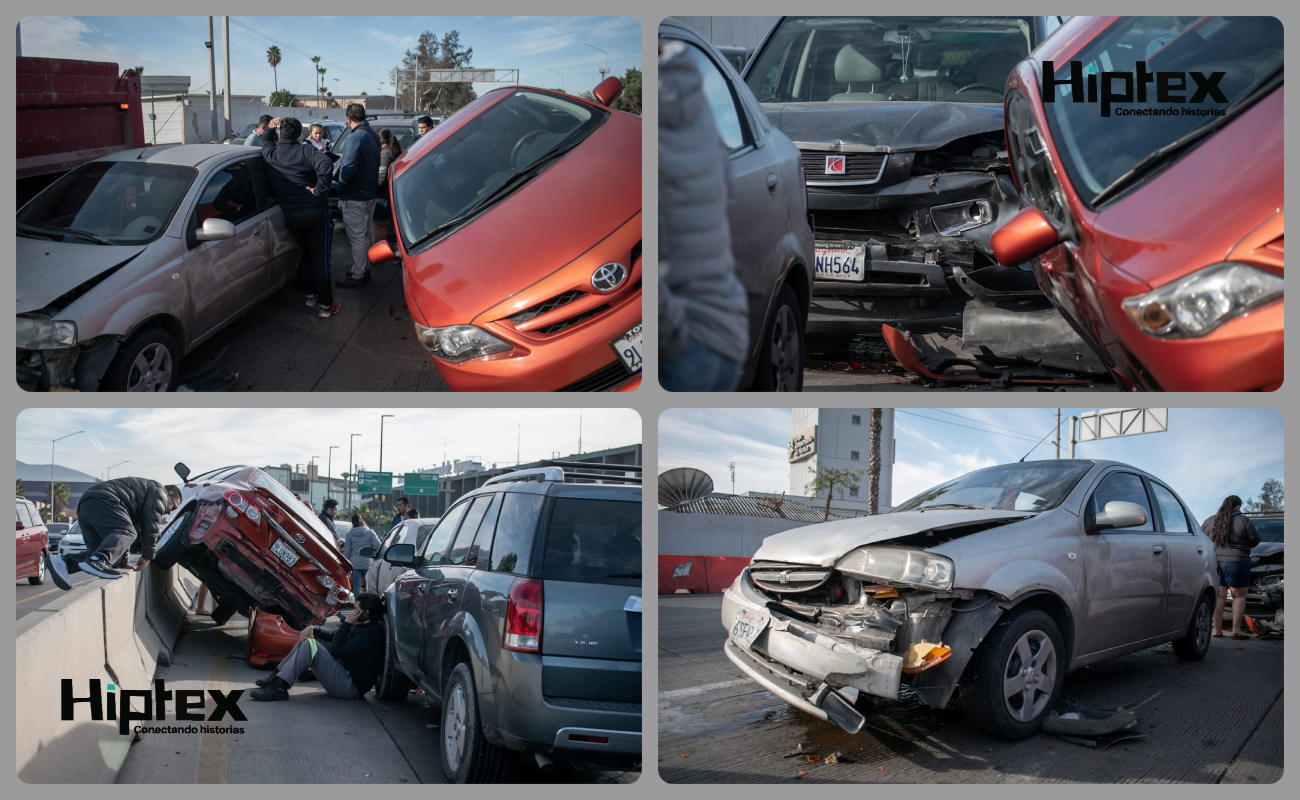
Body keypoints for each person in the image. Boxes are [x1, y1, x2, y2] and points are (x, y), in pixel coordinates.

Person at [658, 40, 749, 391]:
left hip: (686, 345)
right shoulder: (700, 111)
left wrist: (669, 336)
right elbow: (727, 192)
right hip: (727, 327)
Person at [262, 117, 340, 319]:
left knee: (306, 254)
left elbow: (265, 142)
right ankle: (326, 305)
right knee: (320, 259)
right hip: (315, 214)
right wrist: (319, 190)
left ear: (280, 135)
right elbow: (326, 165)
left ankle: (310, 295)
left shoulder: (271, 154)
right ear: (299, 136)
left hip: (292, 217)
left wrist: (270, 129)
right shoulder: (306, 151)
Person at [249, 593, 388, 702]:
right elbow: (335, 635)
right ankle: (277, 677)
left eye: (356, 610)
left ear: (366, 613)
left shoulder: (368, 636)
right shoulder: (365, 626)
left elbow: (335, 651)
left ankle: (279, 688)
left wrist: (346, 624)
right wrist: (312, 629)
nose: (352, 613)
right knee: (311, 639)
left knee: (310, 646)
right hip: (345, 674)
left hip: (350, 686)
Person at [47, 477, 181, 588]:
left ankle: (64, 562)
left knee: (98, 550)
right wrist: (147, 556)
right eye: (173, 506)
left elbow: (120, 538)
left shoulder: (145, 495)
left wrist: (122, 562)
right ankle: (98, 561)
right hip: (105, 499)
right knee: (128, 532)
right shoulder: (160, 492)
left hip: (87, 504)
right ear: (169, 494)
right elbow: (150, 526)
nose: (169, 512)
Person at [334, 103, 381, 288]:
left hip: (356, 196)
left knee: (358, 238)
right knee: (365, 235)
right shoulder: (373, 134)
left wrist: (341, 188)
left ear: (349, 119)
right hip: (370, 194)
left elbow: (347, 169)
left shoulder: (355, 137)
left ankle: (358, 274)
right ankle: (363, 269)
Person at [1204, 495, 1261, 639]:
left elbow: (1202, 537)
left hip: (1215, 561)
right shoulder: (1244, 520)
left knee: (1219, 596)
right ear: (1238, 507)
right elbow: (1255, 540)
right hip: (1237, 562)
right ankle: (1236, 630)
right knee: (1239, 595)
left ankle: (1216, 630)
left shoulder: (1211, 520)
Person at [372, 128, 403, 244]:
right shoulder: (391, 151)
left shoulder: (384, 154)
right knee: (382, 226)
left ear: (380, 140)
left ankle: (376, 254)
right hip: (387, 194)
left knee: (378, 226)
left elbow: (382, 177)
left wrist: (373, 190)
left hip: (382, 196)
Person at [342, 514, 382, 594]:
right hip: (367, 562)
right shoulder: (370, 532)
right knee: (368, 585)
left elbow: (347, 551)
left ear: (352, 522)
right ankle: (367, 604)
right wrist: (372, 551)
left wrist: (345, 563)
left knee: (357, 586)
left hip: (355, 563)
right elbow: (378, 546)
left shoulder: (349, 534)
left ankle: (357, 604)